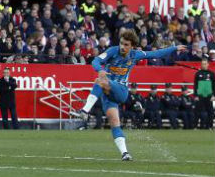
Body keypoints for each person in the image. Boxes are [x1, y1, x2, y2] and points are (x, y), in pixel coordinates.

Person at [75, 30, 183, 159]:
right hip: (108, 94)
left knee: (100, 80)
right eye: (121, 43)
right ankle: (125, 153)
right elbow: (95, 61)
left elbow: (156, 53)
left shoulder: (135, 54)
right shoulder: (112, 51)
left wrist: (174, 48)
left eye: (126, 44)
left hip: (121, 91)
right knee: (114, 122)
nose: (122, 47)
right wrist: (100, 70)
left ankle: (85, 110)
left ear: (132, 46)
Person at [194, 57, 213, 129]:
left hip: (209, 95)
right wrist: (195, 95)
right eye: (202, 64)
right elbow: (195, 85)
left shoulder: (211, 74)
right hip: (200, 95)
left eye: (205, 64)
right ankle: (195, 126)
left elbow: (214, 85)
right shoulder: (198, 73)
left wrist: (214, 95)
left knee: (210, 112)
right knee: (197, 111)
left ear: (208, 64)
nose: (203, 65)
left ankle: (210, 127)